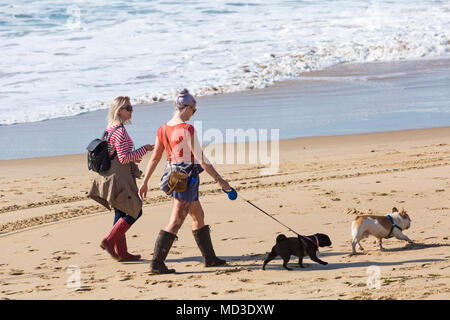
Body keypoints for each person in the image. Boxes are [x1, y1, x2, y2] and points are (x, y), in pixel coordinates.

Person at [139, 89, 232, 274]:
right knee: (176, 221)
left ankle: (210, 259)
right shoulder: (187, 129)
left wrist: (145, 181)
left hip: (173, 176)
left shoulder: (162, 128)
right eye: (194, 110)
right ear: (187, 108)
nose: (193, 114)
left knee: (198, 215)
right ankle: (157, 263)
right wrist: (220, 180)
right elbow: (202, 159)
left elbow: (155, 158)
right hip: (186, 180)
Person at [88, 96, 154, 262]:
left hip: (109, 176)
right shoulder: (120, 131)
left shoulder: (109, 129)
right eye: (128, 108)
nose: (132, 111)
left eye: (131, 107)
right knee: (135, 210)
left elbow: (116, 155)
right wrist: (144, 149)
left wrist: (134, 157)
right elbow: (124, 158)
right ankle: (109, 241)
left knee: (121, 211)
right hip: (119, 178)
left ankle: (122, 252)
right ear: (119, 111)